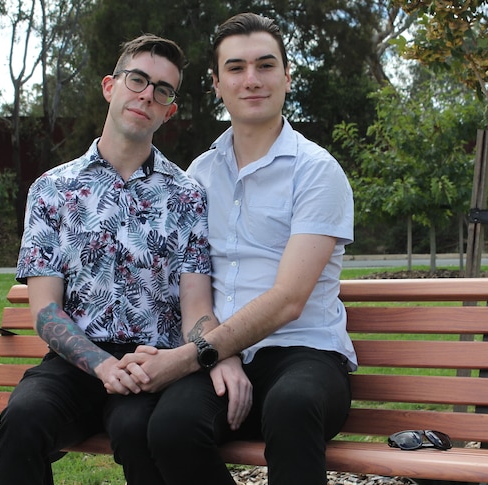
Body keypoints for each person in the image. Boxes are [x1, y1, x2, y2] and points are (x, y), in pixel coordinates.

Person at [0, 34, 250, 485]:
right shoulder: (52, 189)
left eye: (162, 90)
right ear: (111, 86)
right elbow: (46, 310)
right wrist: (103, 366)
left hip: (152, 364)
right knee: (24, 419)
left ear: (168, 111)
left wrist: (216, 351)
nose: (147, 94)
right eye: (138, 80)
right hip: (75, 365)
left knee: (139, 430)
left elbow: (195, 306)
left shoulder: (187, 195)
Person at [121, 12, 356, 485]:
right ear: (216, 83)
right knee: (169, 428)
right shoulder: (201, 174)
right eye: (236, 68)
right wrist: (218, 354)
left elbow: (289, 300)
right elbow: (196, 289)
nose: (252, 80)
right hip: (221, 356)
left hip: (304, 354)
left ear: (287, 77)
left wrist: (193, 355)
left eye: (265, 66)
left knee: (291, 407)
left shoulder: (316, 171)